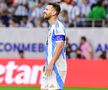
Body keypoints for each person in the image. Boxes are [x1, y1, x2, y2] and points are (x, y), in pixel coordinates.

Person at [41, 3, 67, 90]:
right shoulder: (51, 28)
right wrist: (47, 63)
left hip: (57, 67)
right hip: (49, 66)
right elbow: (51, 48)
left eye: (47, 9)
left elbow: (60, 46)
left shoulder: (58, 27)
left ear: (54, 12)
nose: (44, 11)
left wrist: (51, 63)